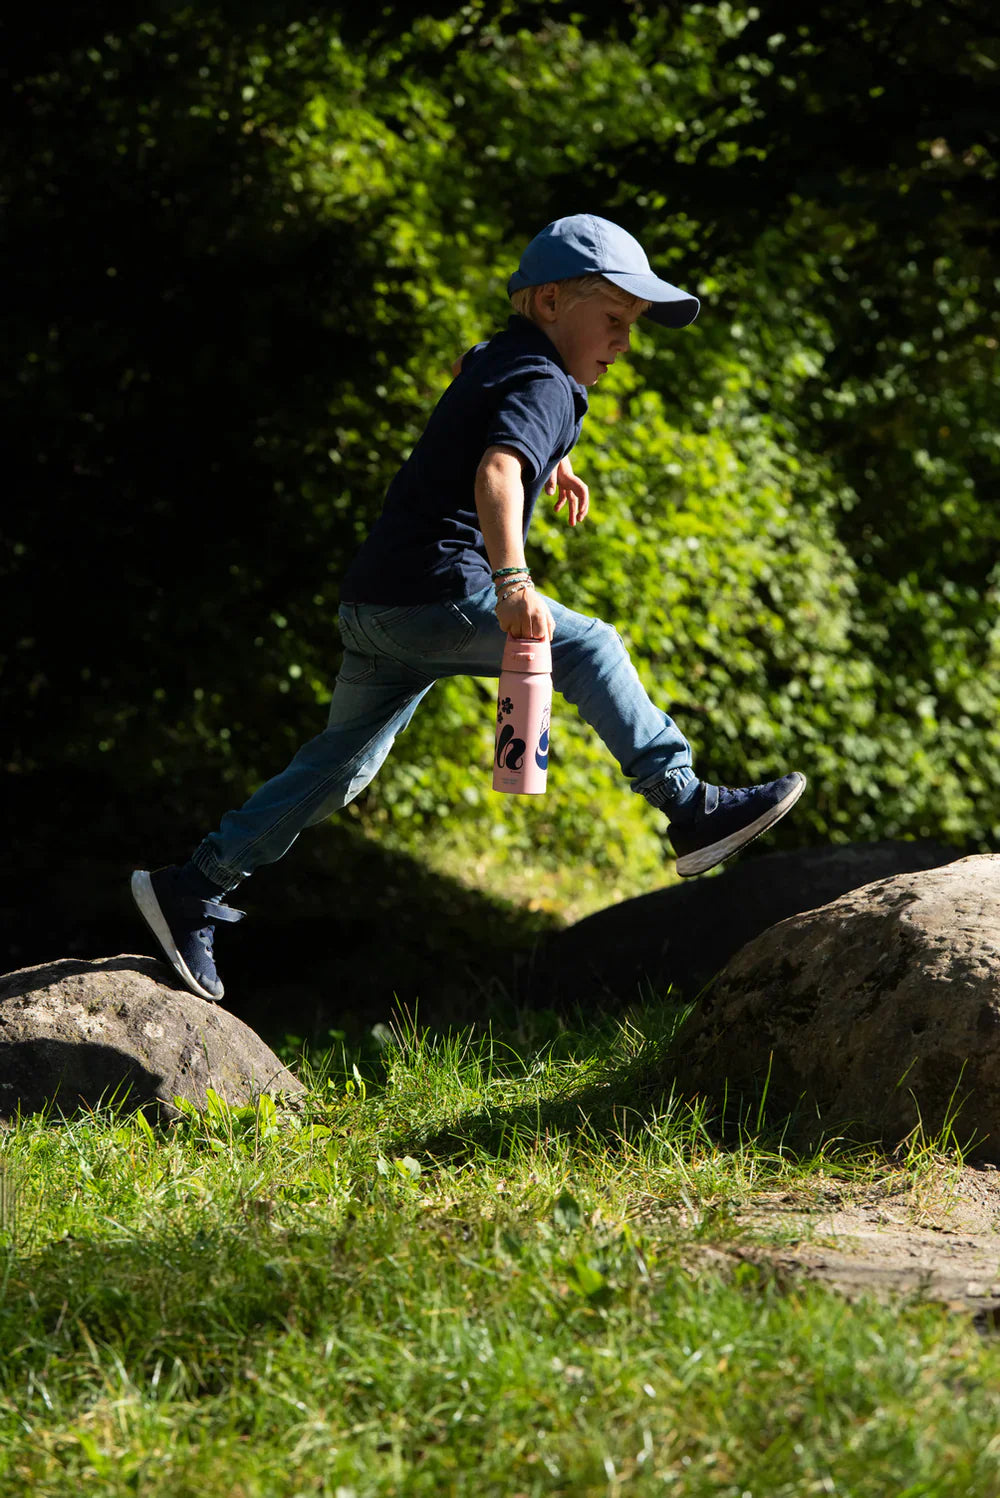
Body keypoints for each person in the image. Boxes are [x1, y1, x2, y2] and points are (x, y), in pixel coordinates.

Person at [132, 214, 806, 1004]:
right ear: (550, 302)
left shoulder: (504, 355)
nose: (626, 343)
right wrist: (514, 581)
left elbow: (469, 375)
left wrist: (550, 460)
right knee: (588, 645)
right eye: (615, 320)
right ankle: (688, 806)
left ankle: (194, 884)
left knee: (340, 769)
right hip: (438, 592)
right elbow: (495, 471)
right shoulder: (546, 381)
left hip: (376, 603)